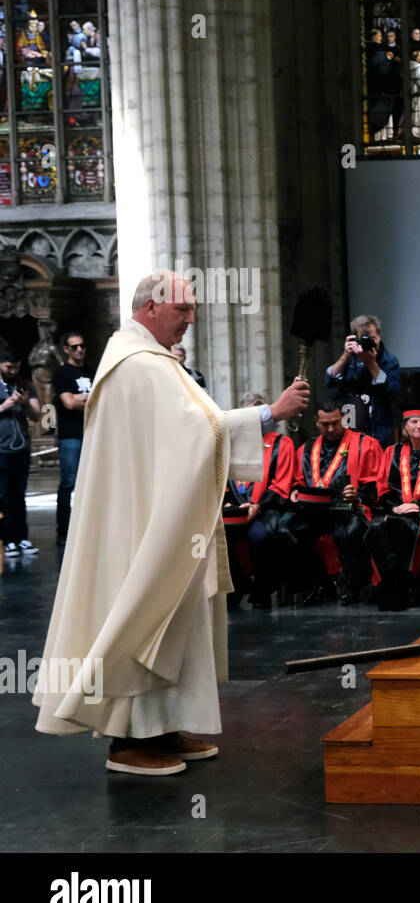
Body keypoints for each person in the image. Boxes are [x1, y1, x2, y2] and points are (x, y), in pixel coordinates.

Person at [32, 271, 310, 774]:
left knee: (174, 620)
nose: (191, 319)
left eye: (193, 309)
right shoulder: (136, 365)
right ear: (150, 307)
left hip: (161, 516)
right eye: (182, 310)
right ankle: (126, 740)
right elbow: (192, 432)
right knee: (142, 618)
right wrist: (269, 414)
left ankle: (160, 726)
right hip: (141, 527)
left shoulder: (151, 361)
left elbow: (188, 429)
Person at [289, 402, 384, 605]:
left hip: (350, 509)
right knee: (290, 529)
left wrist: (359, 494)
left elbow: (378, 483)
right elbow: (298, 480)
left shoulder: (365, 444)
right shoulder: (306, 449)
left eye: (335, 423)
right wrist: (295, 492)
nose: (331, 429)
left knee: (348, 532)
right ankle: (315, 586)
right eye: (325, 424)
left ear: (343, 418)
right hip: (315, 511)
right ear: (316, 422)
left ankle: (353, 587)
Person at [223, 392, 299, 609]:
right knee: (216, 539)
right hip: (235, 511)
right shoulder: (232, 445)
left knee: (259, 536)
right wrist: (228, 503)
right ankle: (238, 584)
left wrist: (258, 505)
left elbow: (281, 485)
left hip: (266, 509)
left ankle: (264, 589)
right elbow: (223, 479)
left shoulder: (281, 444)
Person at [365, 408, 420, 611]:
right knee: (377, 527)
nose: (418, 426)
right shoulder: (392, 452)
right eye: (414, 422)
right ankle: (392, 584)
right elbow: (383, 486)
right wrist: (396, 507)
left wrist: (417, 505)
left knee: (401, 526)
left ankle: (405, 586)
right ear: (404, 427)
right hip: (396, 508)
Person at [325, 314, 401, 446]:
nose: (368, 343)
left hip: (379, 426)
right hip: (351, 423)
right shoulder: (349, 359)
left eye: (372, 338)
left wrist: (372, 364)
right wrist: (345, 355)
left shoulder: (388, 360)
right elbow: (330, 383)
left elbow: (393, 391)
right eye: (363, 339)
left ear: (379, 336)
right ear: (355, 340)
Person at [51, 331, 93, 547]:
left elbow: (106, 400)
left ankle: (90, 530)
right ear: (66, 349)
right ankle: (64, 530)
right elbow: (69, 403)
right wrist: (89, 400)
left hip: (93, 434)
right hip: (71, 436)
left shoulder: (92, 371)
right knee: (69, 482)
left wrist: (82, 398)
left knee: (93, 483)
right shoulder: (62, 374)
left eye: (82, 345)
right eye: (74, 346)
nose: (80, 349)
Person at [0, 349, 41, 557]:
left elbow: (37, 416)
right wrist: (5, 405)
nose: (13, 370)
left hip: (21, 448)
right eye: (9, 367)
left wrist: (25, 404)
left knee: (19, 495)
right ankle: (7, 541)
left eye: (16, 367)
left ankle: (22, 538)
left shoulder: (25, 384)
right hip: (1, 450)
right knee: (3, 497)